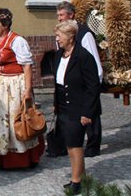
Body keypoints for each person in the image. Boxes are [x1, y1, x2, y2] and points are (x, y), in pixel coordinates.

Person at [0, 8, 44, 172]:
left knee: (15, 121)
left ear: (5, 25)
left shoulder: (17, 41)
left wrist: (28, 89)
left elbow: (27, 66)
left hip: (13, 86)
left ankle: (21, 159)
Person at [52, 20, 100, 195]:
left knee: (75, 144)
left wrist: (88, 112)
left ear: (71, 37)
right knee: (69, 144)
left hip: (78, 107)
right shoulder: (59, 55)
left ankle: (77, 181)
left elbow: (93, 87)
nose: (57, 39)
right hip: (63, 106)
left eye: (59, 35)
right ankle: (81, 175)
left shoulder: (84, 56)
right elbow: (59, 82)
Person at [56, 1, 103, 157]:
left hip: (85, 83)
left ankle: (92, 145)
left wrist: (95, 84)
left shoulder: (84, 33)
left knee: (91, 115)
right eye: (58, 16)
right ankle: (64, 144)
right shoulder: (62, 34)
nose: (59, 18)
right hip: (70, 83)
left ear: (72, 15)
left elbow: (93, 61)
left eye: (62, 15)